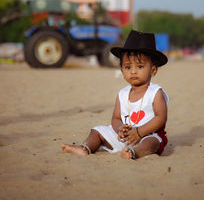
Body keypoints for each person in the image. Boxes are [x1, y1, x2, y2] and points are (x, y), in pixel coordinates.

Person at [61, 30, 169, 159]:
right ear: (122, 70)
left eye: (140, 67)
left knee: (151, 143)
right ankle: (85, 147)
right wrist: (120, 129)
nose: (133, 71)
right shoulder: (122, 94)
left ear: (153, 69)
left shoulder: (155, 92)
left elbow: (160, 118)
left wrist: (140, 132)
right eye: (128, 67)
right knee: (97, 131)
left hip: (148, 134)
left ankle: (134, 152)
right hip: (125, 137)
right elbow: (116, 118)